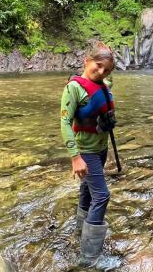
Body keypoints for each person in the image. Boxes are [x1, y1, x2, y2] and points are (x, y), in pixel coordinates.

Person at [60, 42, 116, 267]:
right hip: (86, 152)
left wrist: (108, 52)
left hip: (101, 150)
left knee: (87, 190)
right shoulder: (73, 88)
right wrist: (75, 157)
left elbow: (107, 81)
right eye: (98, 65)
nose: (101, 72)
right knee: (102, 196)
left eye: (107, 70)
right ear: (86, 61)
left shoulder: (104, 83)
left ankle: (80, 232)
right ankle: (89, 259)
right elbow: (64, 123)